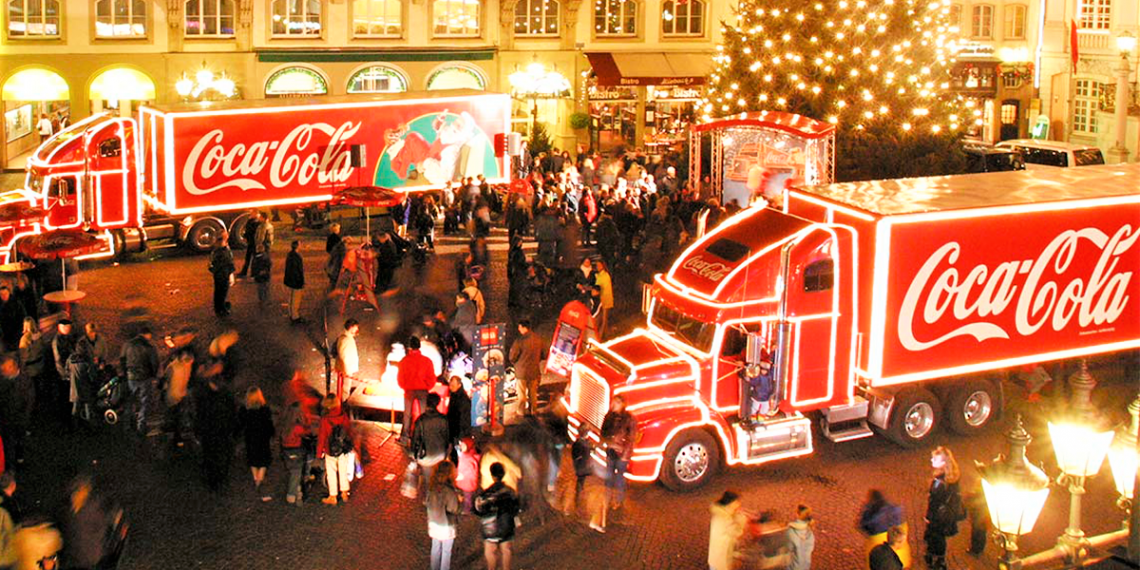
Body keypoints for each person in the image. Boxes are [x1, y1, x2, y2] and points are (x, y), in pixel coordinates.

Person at [59, 476, 123, 570]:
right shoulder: (67, 511)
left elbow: (114, 518)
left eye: (81, 490)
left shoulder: (95, 507)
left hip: (93, 560)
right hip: (75, 561)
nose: (76, 495)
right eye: (74, 492)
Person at [196, 376, 238, 492]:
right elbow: (233, 414)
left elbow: (201, 415)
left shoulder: (206, 398)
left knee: (211, 455)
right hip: (224, 432)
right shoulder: (228, 396)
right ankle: (222, 477)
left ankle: (213, 480)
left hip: (210, 432)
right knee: (222, 455)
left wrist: (198, 430)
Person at [923, 446, 962, 570]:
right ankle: (937, 557)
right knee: (939, 537)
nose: (931, 461)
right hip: (945, 516)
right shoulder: (951, 477)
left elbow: (935, 503)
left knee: (937, 537)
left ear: (943, 463)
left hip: (939, 517)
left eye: (935, 459)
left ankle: (938, 560)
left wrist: (929, 517)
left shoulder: (940, 482)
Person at [475, 462, 520, 570]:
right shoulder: (510, 492)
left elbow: (478, 509)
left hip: (490, 528)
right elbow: (516, 508)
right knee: (506, 550)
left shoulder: (485, 494)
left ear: (492, 475)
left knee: (490, 552)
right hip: (506, 525)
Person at [119, 326, 159, 434]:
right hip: (145, 377)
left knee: (129, 400)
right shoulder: (149, 346)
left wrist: (124, 373)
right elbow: (154, 363)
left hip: (130, 376)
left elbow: (122, 359)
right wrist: (153, 375)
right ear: (147, 334)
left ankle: (127, 425)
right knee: (144, 402)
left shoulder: (127, 344)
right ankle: (141, 426)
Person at [600, 395, 637, 510]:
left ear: (621, 404)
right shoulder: (609, 416)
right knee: (609, 476)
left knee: (619, 478)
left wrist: (625, 455)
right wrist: (607, 441)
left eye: (615, 403)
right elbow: (603, 432)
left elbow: (631, 438)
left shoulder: (629, 418)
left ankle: (618, 500)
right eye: (613, 402)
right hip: (611, 450)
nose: (613, 405)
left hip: (622, 453)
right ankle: (607, 498)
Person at [397, 336, 436, 445]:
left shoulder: (404, 361)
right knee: (423, 414)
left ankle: (405, 438)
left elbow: (400, 378)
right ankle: (422, 438)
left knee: (407, 414)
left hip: (409, 390)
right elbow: (432, 378)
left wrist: (404, 386)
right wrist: (427, 386)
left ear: (410, 347)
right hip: (423, 390)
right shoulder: (427, 361)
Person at [317, 395, 355, 505]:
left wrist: (319, 453)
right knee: (343, 470)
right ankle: (344, 492)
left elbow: (322, 437)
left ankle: (333, 495)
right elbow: (349, 431)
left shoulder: (325, 420)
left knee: (331, 472)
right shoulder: (343, 416)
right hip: (343, 449)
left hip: (330, 450)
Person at [239, 387, 275, 502]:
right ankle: (260, 479)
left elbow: (240, 424)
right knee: (264, 460)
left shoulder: (244, 410)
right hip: (263, 438)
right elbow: (269, 424)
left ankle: (256, 479)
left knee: (252, 459)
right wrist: (272, 434)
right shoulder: (265, 410)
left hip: (250, 438)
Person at [859, 490, 910, 569]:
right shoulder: (895, 509)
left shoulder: (876, 551)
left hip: (878, 542)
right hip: (899, 550)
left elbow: (863, 525)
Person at [411, 392, 450, 492]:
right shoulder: (443, 419)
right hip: (440, 454)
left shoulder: (421, 420)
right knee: (439, 478)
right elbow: (447, 438)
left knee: (428, 482)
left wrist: (414, 455)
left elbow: (415, 440)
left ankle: (430, 500)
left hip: (426, 456)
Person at [425, 461, 461, 570]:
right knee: (446, 552)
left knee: (435, 548)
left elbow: (427, 503)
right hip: (446, 526)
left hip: (434, 524)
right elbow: (453, 509)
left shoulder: (431, 488)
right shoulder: (449, 491)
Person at [508, 320, 544, 416]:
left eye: (520, 327)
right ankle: (533, 410)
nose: (518, 329)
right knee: (533, 393)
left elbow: (512, 357)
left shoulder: (519, 341)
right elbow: (542, 354)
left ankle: (521, 411)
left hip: (522, 372)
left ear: (524, 328)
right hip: (534, 370)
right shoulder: (538, 339)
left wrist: (514, 363)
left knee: (522, 394)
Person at [708, 490, 748, 570]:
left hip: (716, 556)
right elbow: (737, 532)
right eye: (737, 502)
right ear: (732, 502)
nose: (739, 504)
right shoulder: (725, 519)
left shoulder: (720, 513)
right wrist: (742, 519)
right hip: (721, 558)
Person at [280, 402, 310, 505]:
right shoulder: (298, 427)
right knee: (296, 472)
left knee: (292, 471)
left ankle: (297, 489)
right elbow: (306, 433)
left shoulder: (285, 425)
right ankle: (292, 494)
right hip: (296, 450)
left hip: (286, 451)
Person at [208, 230, 235, 317]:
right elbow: (228, 263)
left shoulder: (216, 250)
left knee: (218, 292)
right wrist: (231, 275)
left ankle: (219, 308)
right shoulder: (223, 251)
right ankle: (221, 309)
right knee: (222, 292)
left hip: (218, 274)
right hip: (223, 274)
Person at [334, 319, 360, 403]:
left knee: (345, 388)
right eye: (356, 327)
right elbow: (343, 356)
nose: (357, 329)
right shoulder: (346, 339)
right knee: (345, 389)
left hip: (346, 368)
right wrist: (347, 371)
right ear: (351, 327)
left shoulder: (346, 337)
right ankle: (344, 404)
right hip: (346, 369)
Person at [455, 437, 480, 513]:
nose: (460, 447)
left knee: (468, 498)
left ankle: (467, 510)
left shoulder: (466, 458)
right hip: (469, 483)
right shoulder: (472, 454)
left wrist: (457, 476)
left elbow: (465, 472)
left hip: (467, 484)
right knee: (468, 496)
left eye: (463, 446)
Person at [787, 504, 816, 570]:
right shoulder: (809, 531)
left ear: (797, 514)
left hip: (793, 566)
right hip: (805, 565)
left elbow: (788, 547)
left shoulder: (791, 530)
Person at [445, 375, 471, 444]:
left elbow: (463, 418)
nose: (450, 387)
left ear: (459, 385)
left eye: (453, 385)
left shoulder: (463, 399)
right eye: (450, 385)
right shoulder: (454, 395)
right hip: (454, 428)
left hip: (459, 431)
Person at [284, 240, 305, 323]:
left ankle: (291, 313)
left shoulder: (290, 255)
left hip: (290, 280)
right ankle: (295, 316)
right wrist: (301, 281)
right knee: (296, 299)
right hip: (296, 281)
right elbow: (298, 270)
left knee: (291, 297)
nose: (301, 245)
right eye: (300, 244)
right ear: (297, 246)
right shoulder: (296, 257)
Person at [236, 210, 261, 278]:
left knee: (254, 258)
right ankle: (245, 272)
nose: (251, 214)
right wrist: (245, 237)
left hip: (254, 242)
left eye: (252, 213)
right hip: (250, 242)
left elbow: (255, 232)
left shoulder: (258, 222)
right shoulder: (251, 221)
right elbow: (247, 230)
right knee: (248, 258)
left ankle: (254, 273)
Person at [0, 287, 25, 353]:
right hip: (5, 335)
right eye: (2, 295)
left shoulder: (16, 303)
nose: (4, 296)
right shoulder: (1, 305)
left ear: (8, 293)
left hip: (16, 332)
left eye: (5, 294)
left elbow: (22, 317)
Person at [593, 260, 613, 339]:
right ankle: (606, 335)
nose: (598, 267)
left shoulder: (604, 276)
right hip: (603, 300)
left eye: (599, 265)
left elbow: (600, 287)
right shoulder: (601, 275)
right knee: (603, 318)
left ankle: (599, 337)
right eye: (597, 265)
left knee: (604, 319)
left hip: (605, 299)